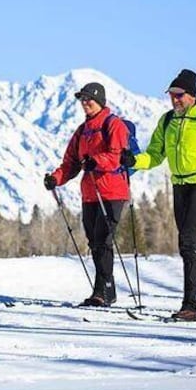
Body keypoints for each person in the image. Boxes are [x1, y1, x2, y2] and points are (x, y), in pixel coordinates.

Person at [121, 69, 196, 321]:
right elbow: (154, 155)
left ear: (192, 95)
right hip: (179, 185)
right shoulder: (167, 121)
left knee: (186, 241)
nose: (175, 100)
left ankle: (190, 304)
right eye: (171, 96)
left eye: (179, 96)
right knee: (192, 242)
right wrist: (134, 160)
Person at [44, 82, 129, 307]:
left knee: (103, 240)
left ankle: (104, 291)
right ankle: (102, 290)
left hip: (112, 192)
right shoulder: (82, 130)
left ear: (99, 100)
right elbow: (71, 162)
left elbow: (117, 156)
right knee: (94, 242)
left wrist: (96, 161)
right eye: (82, 99)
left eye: (88, 99)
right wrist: (56, 178)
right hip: (90, 193)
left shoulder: (114, 125)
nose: (84, 103)